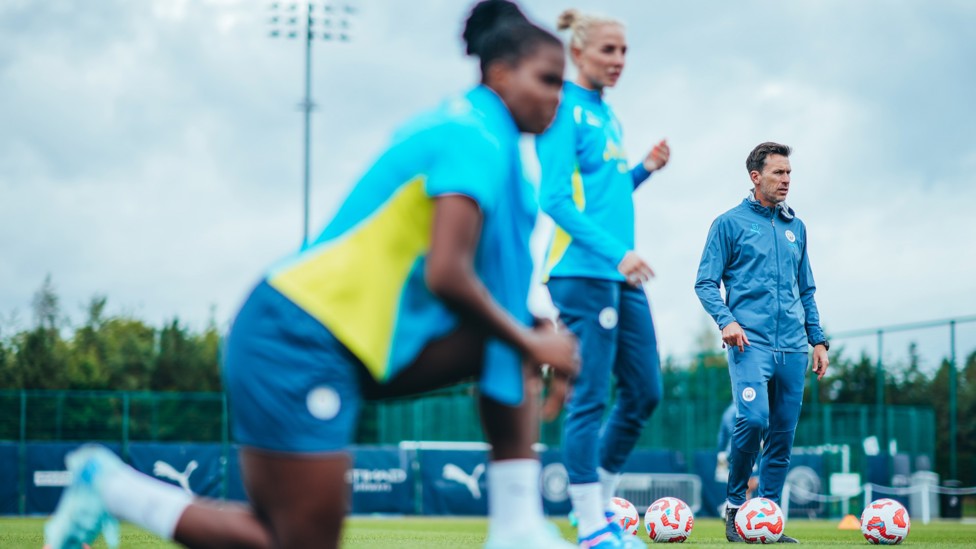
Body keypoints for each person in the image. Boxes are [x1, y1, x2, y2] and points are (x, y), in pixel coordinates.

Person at [43, 2, 581, 549]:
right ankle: (109, 487)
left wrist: (534, 333)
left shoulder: (494, 145)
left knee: (514, 333)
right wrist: (535, 341)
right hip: (293, 334)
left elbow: (494, 299)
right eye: (547, 80)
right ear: (498, 73)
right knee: (291, 542)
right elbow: (448, 274)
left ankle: (517, 527)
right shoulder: (474, 136)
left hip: (348, 342)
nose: (557, 99)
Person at [535, 8, 670, 549]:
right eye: (608, 50)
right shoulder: (562, 109)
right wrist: (620, 254)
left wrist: (642, 171)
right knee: (590, 394)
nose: (619, 61)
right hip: (582, 272)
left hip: (617, 274)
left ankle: (599, 512)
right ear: (579, 52)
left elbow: (604, 198)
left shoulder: (607, 116)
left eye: (624, 51)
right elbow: (555, 200)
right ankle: (592, 525)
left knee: (644, 391)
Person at [695, 142, 829, 543]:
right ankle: (736, 508)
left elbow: (806, 290)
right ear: (756, 177)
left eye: (789, 173)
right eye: (778, 173)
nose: (787, 180)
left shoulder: (796, 227)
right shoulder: (728, 223)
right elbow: (705, 283)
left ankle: (767, 519)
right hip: (748, 345)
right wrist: (727, 321)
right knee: (752, 420)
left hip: (793, 349)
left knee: (783, 437)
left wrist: (817, 341)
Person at [715, 402, 757, 501]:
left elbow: (722, 436)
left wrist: (721, 452)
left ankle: (733, 504)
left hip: (728, 451)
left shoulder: (727, 411)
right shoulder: (741, 409)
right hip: (741, 450)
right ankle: (738, 505)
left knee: (735, 481)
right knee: (749, 481)